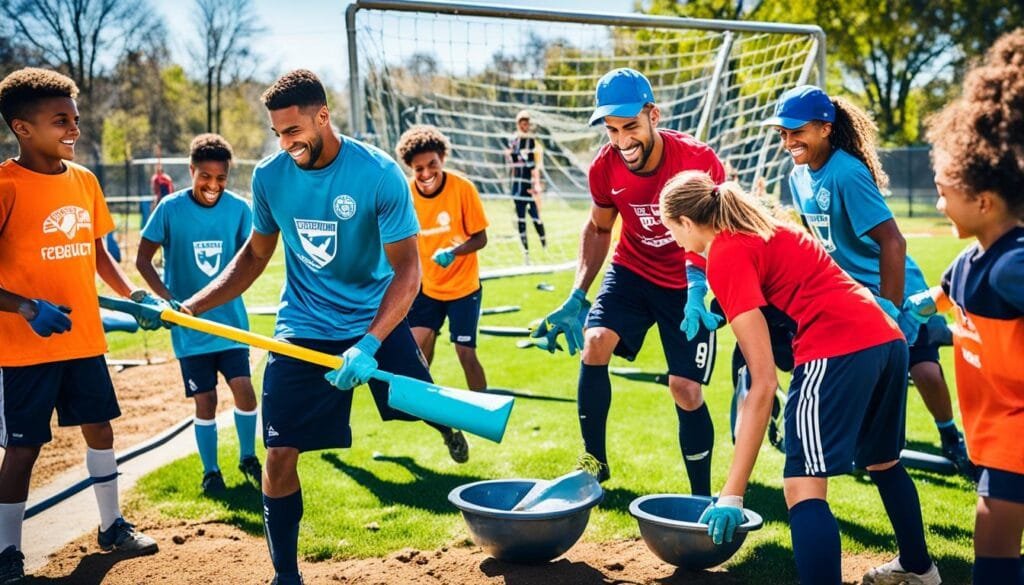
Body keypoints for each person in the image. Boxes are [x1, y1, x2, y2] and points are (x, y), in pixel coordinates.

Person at [178, 69, 469, 585]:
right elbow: (254, 256)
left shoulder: (379, 174)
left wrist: (371, 342)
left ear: (323, 117)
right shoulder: (269, 178)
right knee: (279, 451)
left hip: (373, 320)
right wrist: (194, 305)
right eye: (278, 134)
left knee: (423, 402)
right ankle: (285, 574)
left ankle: (443, 423)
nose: (286, 143)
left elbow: (408, 270)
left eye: (294, 131)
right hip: (303, 326)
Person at [660, 170, 940, 585]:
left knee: (801, 485)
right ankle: (919, 568)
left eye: (673, 232)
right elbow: (791, 288)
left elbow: (764, 383)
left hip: (836, 348)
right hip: (887, 339)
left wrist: (732, 493)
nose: (676, 243)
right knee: (884, 461)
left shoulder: (724, 253)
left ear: (686, 222)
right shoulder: (766, 225)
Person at [0, 68, 168, 583]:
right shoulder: (5, 185)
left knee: (100, 428)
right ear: (22, 128)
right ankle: (7, 550)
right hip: (22, 350)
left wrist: (132, 293)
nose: (74, 129)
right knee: (24, 449)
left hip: (83, 341)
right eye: (60, 121)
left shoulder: (86, 181)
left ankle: (111, 524)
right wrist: (27, 308)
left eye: (75, 119)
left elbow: (98, 254)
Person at [763, 84, 973, 476]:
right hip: (854, 295)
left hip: (896, 287)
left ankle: (950, 436)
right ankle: (865, 439)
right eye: (783, 133)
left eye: (797, 131)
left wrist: (891, 309)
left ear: (825, 128)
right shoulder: (798, 176)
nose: (789, 141)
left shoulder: (847, 172)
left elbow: (893, 241)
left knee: (923, 369)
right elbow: (816, 239)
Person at [533, 68, 725, 491]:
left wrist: (708, 290)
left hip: (686, 284)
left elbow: (723, 232)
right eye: (612, 130)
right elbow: (600, 228)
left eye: (630, 127)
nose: (622, 141)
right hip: (632, 270)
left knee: (685, 389)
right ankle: (594, 464)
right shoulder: (604, 168)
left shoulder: (697, 160)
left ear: (653, 115)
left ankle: (700, 497)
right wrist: (577, 295)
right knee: (595, 342)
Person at [906, 29, 1024, 585]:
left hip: (1015, 435)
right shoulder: (972, 259)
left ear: (982, 200)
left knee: (992, 544)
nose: (937, 202)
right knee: (993, 539)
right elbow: (937, 300)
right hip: (994, 432)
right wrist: (905, 309)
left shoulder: (1012, 265)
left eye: (943, 191)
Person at [136, 133, 261, 494]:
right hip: (189, 329)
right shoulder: (170, 209)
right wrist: (166, 299)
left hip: (231, 325)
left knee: (244, 391)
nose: (213, 185)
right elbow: (142, 259)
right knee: (205, 400)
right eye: (205, 176)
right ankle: (211, 471)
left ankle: (248, 456)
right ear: (191, 171)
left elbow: (250, 260)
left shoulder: (239, 208)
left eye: (221, 178)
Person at [395, 125, 490, 391]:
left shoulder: (463, 188)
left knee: (465, 353)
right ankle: (430, 416)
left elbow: (480, 238)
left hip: (463, 288)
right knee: (417, 351)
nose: (426, 173)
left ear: (442, 159)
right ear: (410, 169)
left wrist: (454, 252)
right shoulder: (406, 194)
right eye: (418, 169)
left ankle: (484, 412)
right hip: (427, 287)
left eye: (432, 164)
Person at [505, 109, 546, 264]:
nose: (525, 126)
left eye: (527, 123)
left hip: (530, 187)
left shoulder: (533, 142)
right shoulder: (512, 141)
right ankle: (526, 253)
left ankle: (544, 245)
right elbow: (511, 163)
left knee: (536, 218)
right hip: (517, 187)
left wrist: (536, 184)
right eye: (522, 123)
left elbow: (535, 166)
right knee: (521, 220)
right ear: (518, 124)